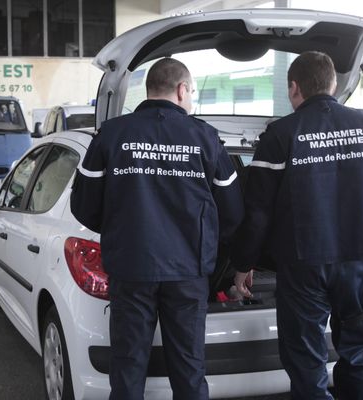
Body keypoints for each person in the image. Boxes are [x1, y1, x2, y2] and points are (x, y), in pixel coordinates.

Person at [70, 58, 244, 400]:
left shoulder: (113, 134)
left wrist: (121, 229)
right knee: (189, 371)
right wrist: (208, 243)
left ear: (150, 89)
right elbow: (234, 211)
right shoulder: (205, 138)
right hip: (187, 274)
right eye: (191, 92)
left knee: (128, 369)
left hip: (131, 269)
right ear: (181, 90)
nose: (190, 98)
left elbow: (84, 206)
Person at [232, 51, 363, 400]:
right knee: (361, 353)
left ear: (294, 88)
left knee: (306, 360)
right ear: (334, 84)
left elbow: (258, 212)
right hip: (360, 261)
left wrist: (243, 264)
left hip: (305, 264)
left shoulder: (280, 135)